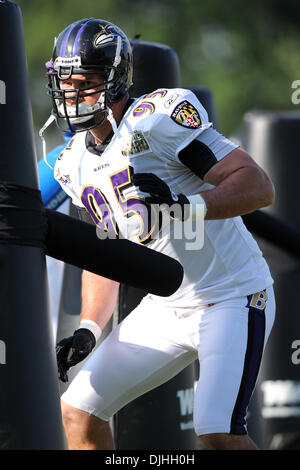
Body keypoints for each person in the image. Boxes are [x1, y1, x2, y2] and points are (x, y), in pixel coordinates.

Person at [44, 17, 276, 450]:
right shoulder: (72, 161)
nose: (72, 92)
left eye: (86, 81)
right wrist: (90, 328)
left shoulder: (157, 119)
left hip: (231, 294)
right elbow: (104, 253)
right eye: (65, 80)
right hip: (168, 307)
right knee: (76, 414)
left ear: (115, 81)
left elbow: (257, 185)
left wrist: (183, 206)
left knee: (219, 434)